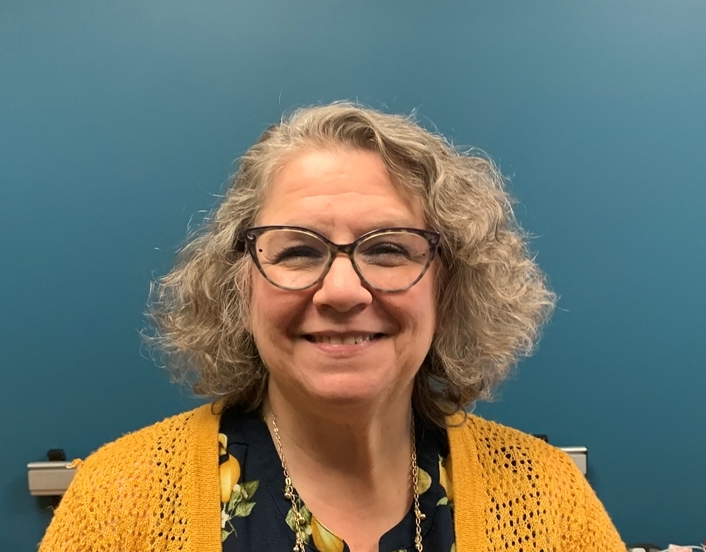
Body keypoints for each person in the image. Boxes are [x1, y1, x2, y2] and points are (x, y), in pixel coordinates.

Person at [40, 102, 626, 552]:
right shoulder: (117, 504)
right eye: (297, 251)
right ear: (237, 285)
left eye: (389, 249)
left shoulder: (549, 502)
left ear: (449, 286)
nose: (343, 291)